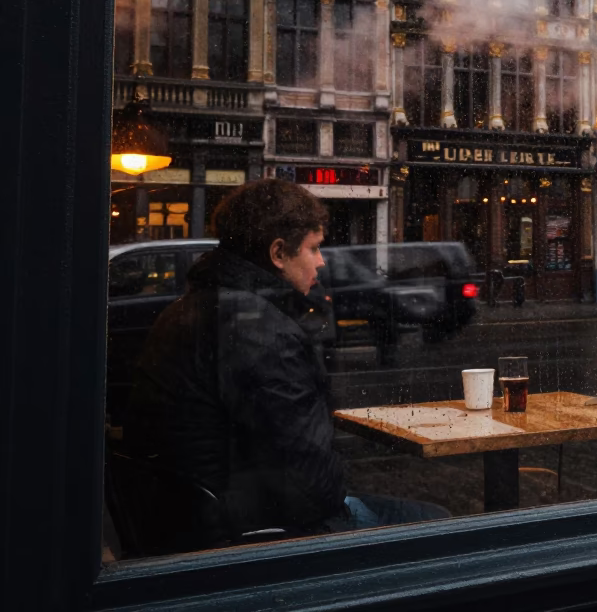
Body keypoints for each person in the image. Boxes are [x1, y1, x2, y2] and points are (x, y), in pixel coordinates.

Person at [122, 179, 446, 552]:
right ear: (278, 253)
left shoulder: (190, 309)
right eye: (313, 248)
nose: (322, 262)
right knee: (440, 527)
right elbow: (312, 484)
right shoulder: (258, 328)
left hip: (189, 518)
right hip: (251, 531)